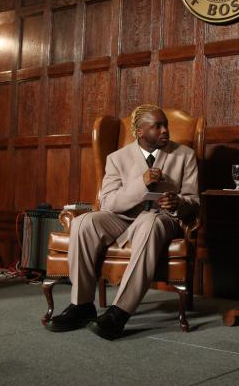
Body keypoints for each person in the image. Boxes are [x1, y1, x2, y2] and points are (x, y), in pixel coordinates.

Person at [45, 104, 199, 340]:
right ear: (139, 131)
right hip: (122, 218)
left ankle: (120, 311)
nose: (165, 130)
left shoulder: (185, 156)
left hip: (161, 220)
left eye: (165, 125)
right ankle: (82, 305)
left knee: (149, 222)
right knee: (83, 223)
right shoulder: (117, 159)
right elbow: (108, 203)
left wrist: (178, 203)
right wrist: (142, 183)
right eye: (157, 126)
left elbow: (194, 200)